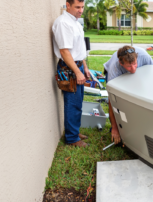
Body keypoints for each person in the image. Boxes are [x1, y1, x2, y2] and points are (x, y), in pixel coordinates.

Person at [52, 0, 90, 147]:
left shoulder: (76, 22)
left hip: (78, 66)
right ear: (68, 5)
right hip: (69, 69)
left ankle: (74, 130)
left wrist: (84, 67)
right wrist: (77, 72)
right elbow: (64, 51)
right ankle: (72, 138)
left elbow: (79, 49)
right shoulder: (63, 23)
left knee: (78, 102)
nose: (81, 10)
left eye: (82, 7)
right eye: (77, 7)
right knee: (72, 103)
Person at [104, 46, 153, 144]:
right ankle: (119, 128)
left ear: (137, 58)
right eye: (129, 66)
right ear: (121, 63)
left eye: (135, 64)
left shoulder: (144, 56)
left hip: (140, 74)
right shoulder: (115, 69)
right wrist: (115, 128)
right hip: (117, 76)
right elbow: (111, 100)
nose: (133, 69)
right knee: (120, 101)